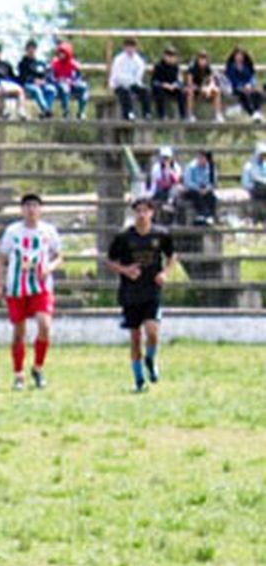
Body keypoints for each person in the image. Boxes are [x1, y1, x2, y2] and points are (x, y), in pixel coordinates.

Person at [0, 193, 63, 390]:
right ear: (22, 210)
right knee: (19, 332)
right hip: (17, 287)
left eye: (35, 206)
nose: (31, 210)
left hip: (41, 287)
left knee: (45, 324)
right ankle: (18, 374)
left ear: (40, 209)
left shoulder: (48, 231)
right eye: (27, 206)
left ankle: (38, 367)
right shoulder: (13, 231)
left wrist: (49, 268)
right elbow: (0, 258)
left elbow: (59, 256)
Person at [105, 197, 175, 392]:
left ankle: (150, 359)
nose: (142, 214)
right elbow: (110, 261)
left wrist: (164, 273)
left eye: (146, 210)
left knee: (152, 332)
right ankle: (138, 379)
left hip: (152, 289)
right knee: (135, 337)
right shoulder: (124, 237)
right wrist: (126, 270)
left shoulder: (161, 234)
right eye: (138, 211)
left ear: (152, 213)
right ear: (134, 213)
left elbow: (171, 256)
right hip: (130, 292)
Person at [109, 37, 151, 121]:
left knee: (145, 91)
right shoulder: (119, 59)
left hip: (133, 83)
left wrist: (132, 82)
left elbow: (138, 77)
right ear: (124, 47)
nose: (130, 49)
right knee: (125, 92)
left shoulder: (139, 61)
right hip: (119, 84)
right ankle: (128, 113)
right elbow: (117, 76)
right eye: (128, 47)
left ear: (135, 48)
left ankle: (146, 113)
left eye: (132, 47)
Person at [17, 40, 57, 119]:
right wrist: (33, 80)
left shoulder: (40, 62)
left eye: (33, 49)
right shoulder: (22, 63)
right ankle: (46, 109)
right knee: (36, 90)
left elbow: (47, 73)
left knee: (52, 89)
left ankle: (44, 112)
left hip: (42, 84)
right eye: (29, 49)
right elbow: (23, 77)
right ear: (26, 50)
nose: (31, 51)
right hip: (28, 85)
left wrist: (44, 80)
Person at [49, 41, 88, 120]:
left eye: (63, 52)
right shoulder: (55, 63)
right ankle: (65, 112)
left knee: (84, 87)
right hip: (60, 85)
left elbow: (78, 77)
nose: (61, 54)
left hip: (72, 84)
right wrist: (59, 80)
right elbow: (51, 77)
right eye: (59, 53)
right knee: (64, 88)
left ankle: (81, 112)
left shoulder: (73, 63)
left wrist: (72, 81)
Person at [225, 47, 262, 122]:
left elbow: (252, 77)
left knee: (258, 93)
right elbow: (231, 80)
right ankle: (253, 114)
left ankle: (256, 112)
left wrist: (250, 84)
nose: (239, 57)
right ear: (234, 56)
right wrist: (242, 86)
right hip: (235, 88)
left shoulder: (247, 65)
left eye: (241, 55)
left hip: (248, 87)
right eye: (237, 55)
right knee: (244, 95)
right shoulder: (231, 66)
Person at [149, 46, 186, 121]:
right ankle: (162, 115)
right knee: (159, 93)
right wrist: (163, 85)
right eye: (168, 55)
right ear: (164, 56)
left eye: (172, 56)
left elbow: (180, 81)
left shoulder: (176, 67)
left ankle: (183, 116)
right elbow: (154, 82)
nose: (170, 58)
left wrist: (175, 85)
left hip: (172, 88)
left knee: (181, 93)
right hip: (161, 88)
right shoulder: (158, 66)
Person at [186, 51, 223, 123]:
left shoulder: (207, 68)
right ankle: (190, 115)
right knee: (190, 92)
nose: (203, 61)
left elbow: (212, 81)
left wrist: (209, 88)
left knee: (217, 90)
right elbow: (189, 83)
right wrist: (201, 88)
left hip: (204, 90)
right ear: (198, 59)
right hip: (194, 89)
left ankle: (218, 115)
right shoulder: (192, 67)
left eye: (204, 59)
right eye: (201, 59)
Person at [181, 148, 217, 223]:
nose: (201, 160)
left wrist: (207, 189)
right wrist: (198, 189)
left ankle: (210, 216)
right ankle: (203, 214)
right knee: (195, 194)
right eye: (199, 158)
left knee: (212, 197)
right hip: (192, 189)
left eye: (203, 158)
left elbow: (213, 182)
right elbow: (187, 182)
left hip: (205, 189)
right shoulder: (191, 167)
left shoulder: (210, 167)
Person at [147, 145, 181, 215]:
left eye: (167, 158)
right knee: (162, 192)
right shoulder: (156, 167)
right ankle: (165, 207)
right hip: (159, 190)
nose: (165, 160)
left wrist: (170, 171)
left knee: (175, 189)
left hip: (172, 190)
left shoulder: (176, 167)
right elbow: (159, 182)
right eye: (164, 158)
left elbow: (176, 180)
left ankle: (169, 204)